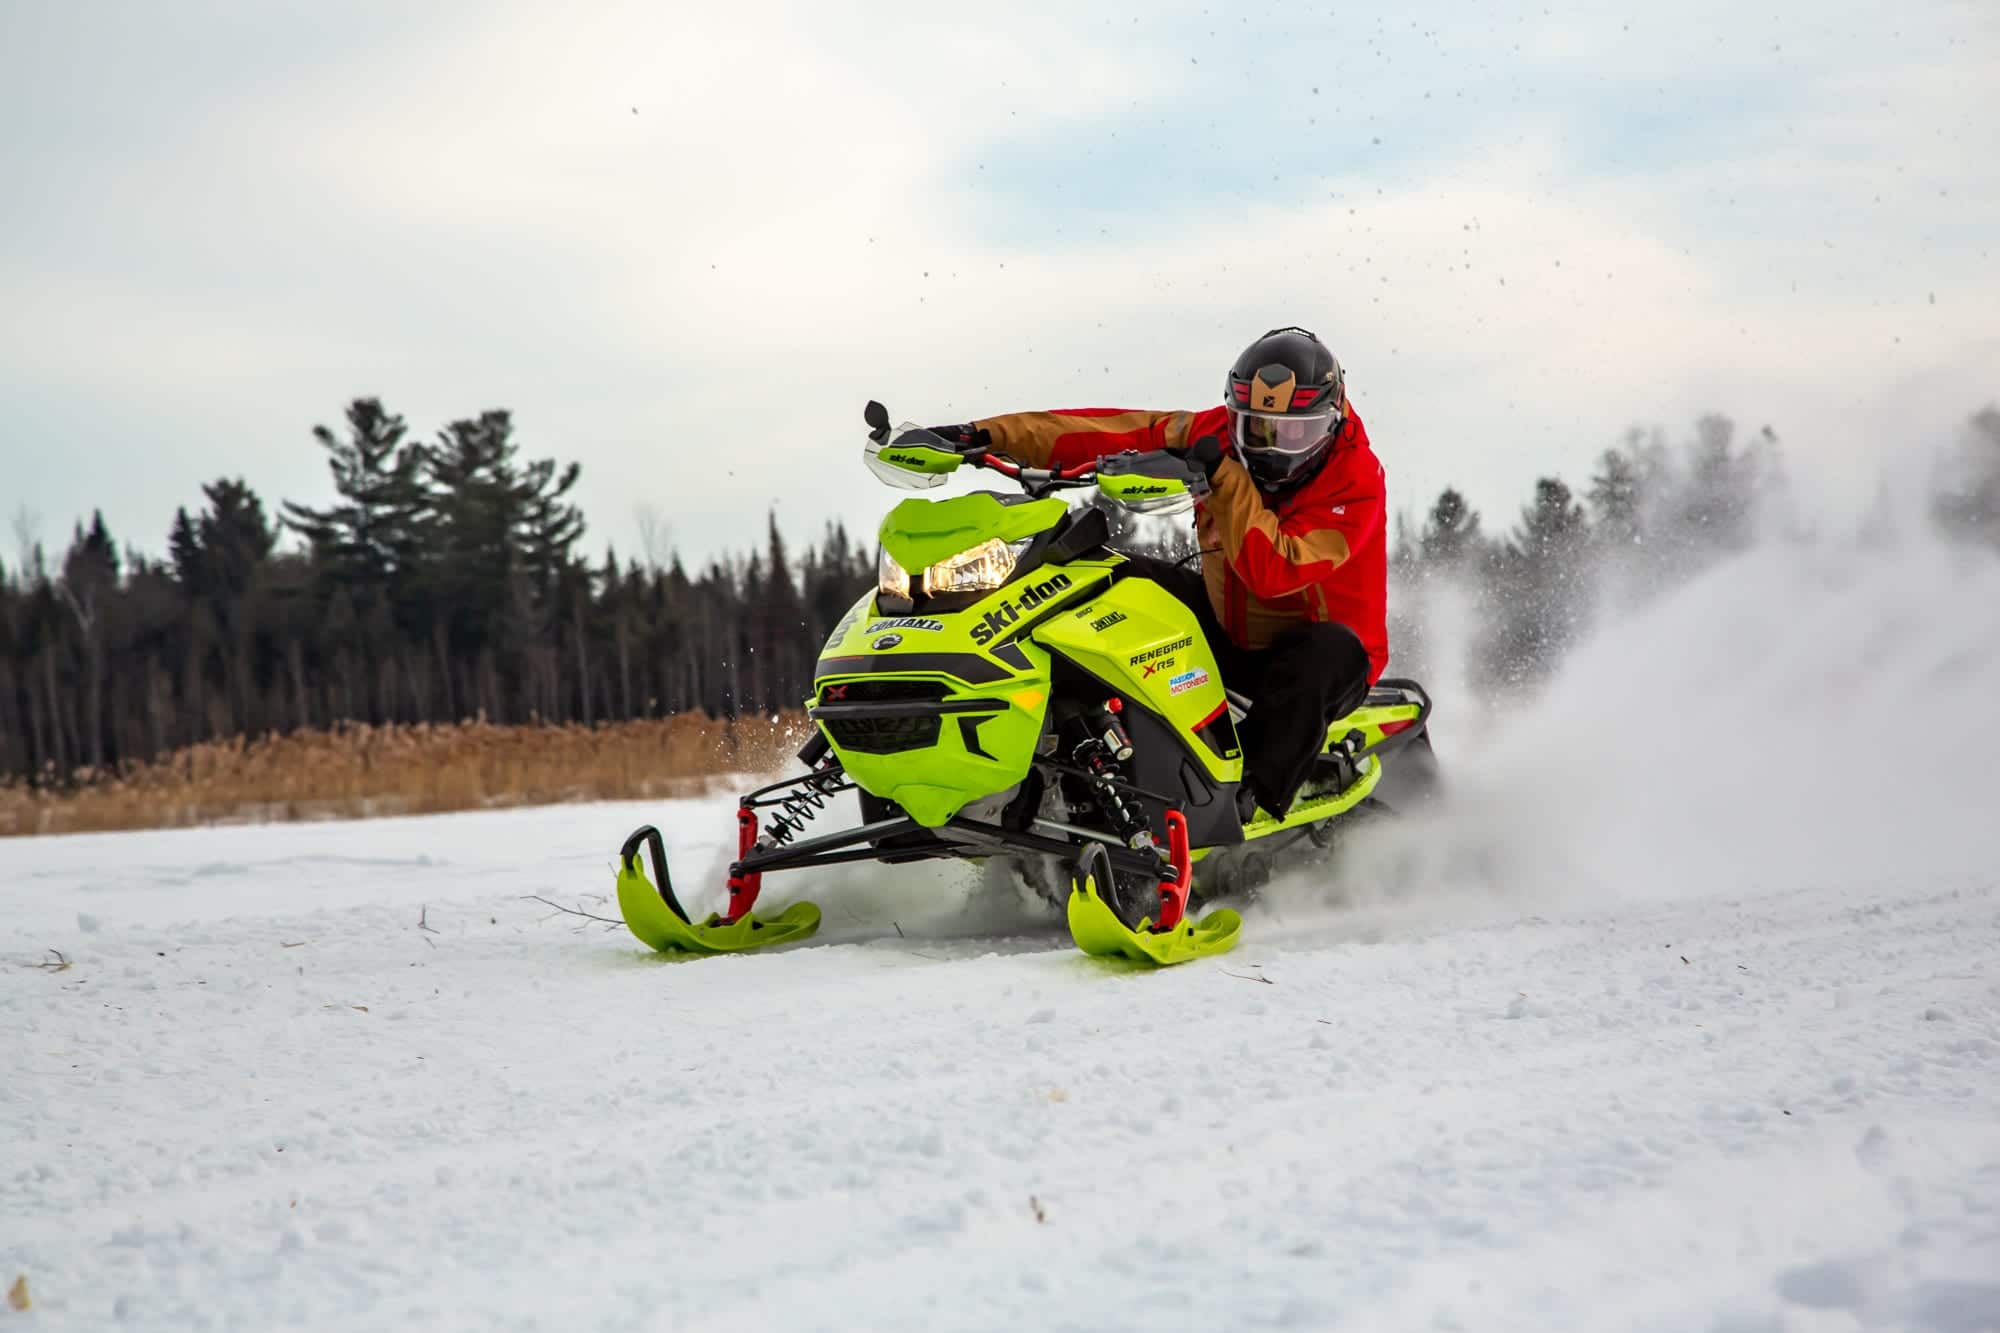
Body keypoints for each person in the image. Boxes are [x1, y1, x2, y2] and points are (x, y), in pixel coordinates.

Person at [929, 326, 1387, 820]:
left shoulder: (1356, 481)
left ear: (1332, 421)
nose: (1271, 446)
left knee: (1325, 654)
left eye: (1294, 432)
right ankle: (1065, 748)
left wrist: (1226, 479)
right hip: (1227, 627)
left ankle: (1245, 801)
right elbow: (1103, 430)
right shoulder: (1214, 436)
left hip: (1319, 657)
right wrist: (982, 436)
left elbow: (1274, 571)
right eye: (1255, 428)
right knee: (1102, 579)